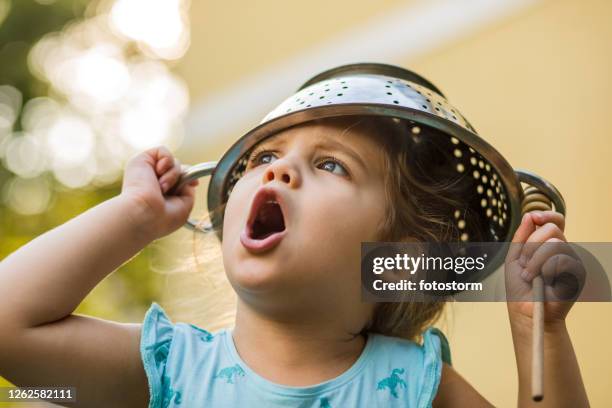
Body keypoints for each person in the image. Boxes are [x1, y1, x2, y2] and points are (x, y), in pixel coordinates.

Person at [0, 102, 589, 407]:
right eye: (262, 159)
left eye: (331, 164)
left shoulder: (414, 386)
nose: (277, 169)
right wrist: (136, 217)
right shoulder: (171, 370)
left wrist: (537, 332)